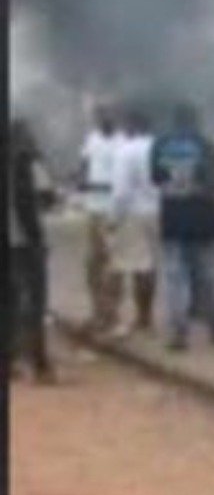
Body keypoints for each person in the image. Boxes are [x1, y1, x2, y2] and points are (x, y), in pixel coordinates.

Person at [151, 103, 214, 351]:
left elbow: (156, 178)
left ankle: (178, 333)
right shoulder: (206, 145)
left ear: (175, 120)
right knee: (207, 274)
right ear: (196, 120)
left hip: (173, 216)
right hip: (203, 217)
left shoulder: (161, 145)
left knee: (175, 277)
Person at [8, 119, 58, 383]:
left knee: (10, 301)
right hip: (26, 242)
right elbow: (48, 198)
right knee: (35, 302)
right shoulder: (30, 162)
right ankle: (39, 365)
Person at [106, 108, 160, 337]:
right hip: (158, 211)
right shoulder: (159, 147)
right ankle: (145, 316)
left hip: (132, 213)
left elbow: (121, 192)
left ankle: (115, 318)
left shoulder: (125, 152)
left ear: (132, 126)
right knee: (150, 266)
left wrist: (113, 219)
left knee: (124, 265)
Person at [78, 103, 123, 332]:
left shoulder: (122, 143)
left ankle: (112, 315)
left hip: (113, 211)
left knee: (113, 264)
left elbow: (122, 182)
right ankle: (97, 312)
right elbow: (83, 168)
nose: (104, 119)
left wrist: (97, 186)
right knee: (92, 264)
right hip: (94, 209)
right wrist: (82, 182)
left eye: (108, 114)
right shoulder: (92, 140)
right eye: (100, 115)